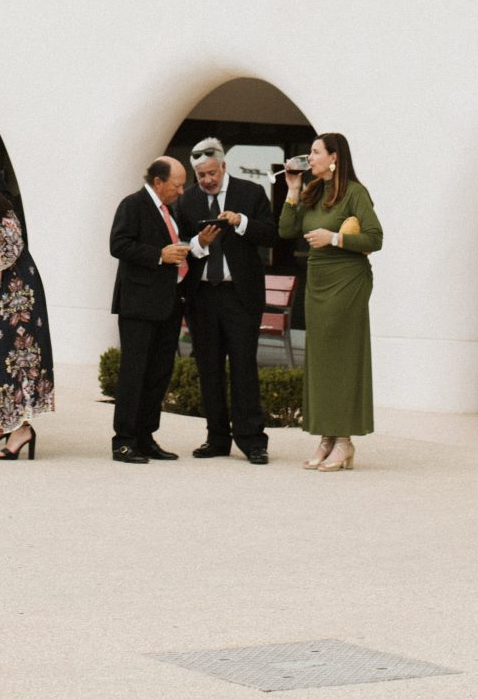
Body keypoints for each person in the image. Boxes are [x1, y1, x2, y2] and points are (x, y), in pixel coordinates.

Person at [278, 131, 383, 473]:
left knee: (343, 359)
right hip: (319, 281)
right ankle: (327, 436)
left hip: (347, 282)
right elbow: (286, 230)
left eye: (315, 152)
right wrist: (292, 189)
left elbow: (375, 237)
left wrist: (334, 237)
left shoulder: (355, 192)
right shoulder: (313, 191)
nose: (310, 158)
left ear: (335, 157)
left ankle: (344, 441)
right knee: (321, 360)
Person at [178, 138, 273, 463]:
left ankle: (252, 441)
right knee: (209, 368)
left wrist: (240, 222)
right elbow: (179, 243)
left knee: (244, 367)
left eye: (211, 173)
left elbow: (271, 234)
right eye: (201, 175)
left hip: (240, 296)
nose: (207, 180)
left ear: (223, 166)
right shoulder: (187, 200)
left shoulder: (251, 193)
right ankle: (217, 438)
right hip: (202, 296)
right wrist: (199, 244)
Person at [0, 148, 52, 459]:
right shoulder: (0, 198)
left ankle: (20, 429)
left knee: (7, 355)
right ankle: (3, 423)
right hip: (27, 282)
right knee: (19, 355)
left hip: (11, 287)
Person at [109, 156, 193, 464]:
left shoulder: (170, 211)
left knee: (159, 373)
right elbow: (118, 245)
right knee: (134, 373)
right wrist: (158, 255)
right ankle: (125, 440)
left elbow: (176, 248)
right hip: (138, 304)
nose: (181, 191)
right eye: (177, 185)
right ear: (158, 182)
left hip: (167, 303)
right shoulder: (132, 205)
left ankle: (146, 436)